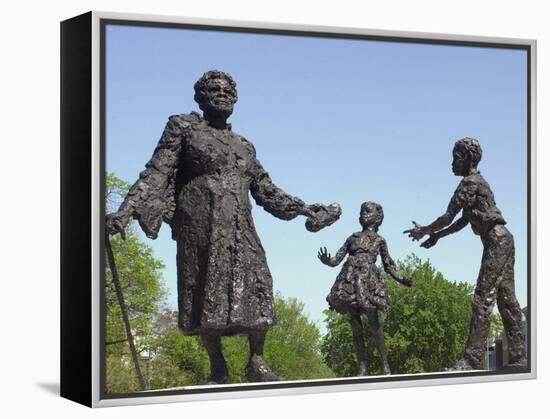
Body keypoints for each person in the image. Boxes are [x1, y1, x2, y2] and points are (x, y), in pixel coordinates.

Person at [106, 70, 340, 384]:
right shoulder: (184, 128)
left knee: (259, 284)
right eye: (214, 90)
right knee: (206, 290)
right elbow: (157, 171)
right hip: (200, 226)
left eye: (229, 91)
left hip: (240, 225)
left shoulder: (244, 145)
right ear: (200, 97)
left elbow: (266, 190)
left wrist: (304, 209)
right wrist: (125, 211)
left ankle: (256, 361)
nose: (222, 95)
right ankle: (218, 365)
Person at [404, 137, 527, 370]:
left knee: (482, 299)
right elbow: (463, 221)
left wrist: (425, 230)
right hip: (504, 240)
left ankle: (471, 360)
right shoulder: (479, 184)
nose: (452, 163)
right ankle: (519, 357)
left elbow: (448, 216)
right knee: (507, 300)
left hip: (496, 242)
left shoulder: (469, 183)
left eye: (456, 158)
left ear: (468, 159)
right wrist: (438, 236)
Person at [318, 201, 412, 376]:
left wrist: (402, 279)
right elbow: (337, 259)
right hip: (348, 281)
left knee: (374, 324)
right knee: (355, 326)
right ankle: (362, 367)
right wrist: (327, 260)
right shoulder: (352, 238)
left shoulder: (379, 240)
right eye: (361, 212)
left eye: (367, 212)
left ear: (377, 218)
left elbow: (389, 265)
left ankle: (385, 366)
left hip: (368, 282)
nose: (363, 215)